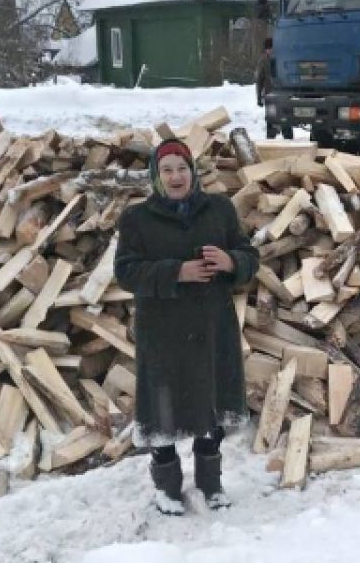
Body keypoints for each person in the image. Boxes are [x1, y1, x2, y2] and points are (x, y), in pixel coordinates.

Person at [115, 139, 259, 515]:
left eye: (182, 168)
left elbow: (249, 257)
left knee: (210, 412)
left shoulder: (220, 210)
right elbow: (125, 272)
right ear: (156, 176)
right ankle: (168, 489)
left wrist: (231, 262)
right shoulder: (136, 219)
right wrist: (177, 272)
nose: (176, 176)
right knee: (162, 414)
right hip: (162, 332)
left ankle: (211, 485)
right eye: (167, 170)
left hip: (212, 328)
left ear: (192, 172)